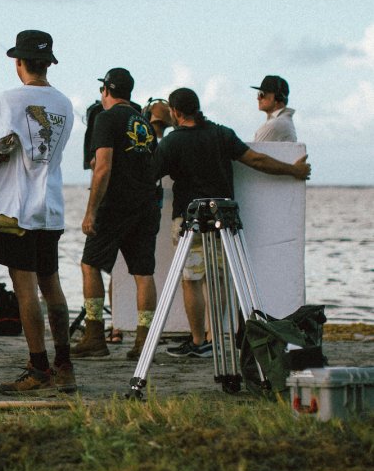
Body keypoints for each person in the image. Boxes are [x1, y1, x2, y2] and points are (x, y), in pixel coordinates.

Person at [155, 87, 311, 358]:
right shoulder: (221, 134)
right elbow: (257, 159)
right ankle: (215, 337)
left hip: (189, 218)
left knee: (192, 280)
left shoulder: (172, 142)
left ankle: (197, 341)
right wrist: (293, 170)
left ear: (176, 112)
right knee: (217, 279)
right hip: (222, 217)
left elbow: (150, 173)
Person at [0, 30, 75, 395]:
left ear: (19, 63)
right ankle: (65, 365)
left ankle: (38, 366)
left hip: (15, 209)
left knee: (25, 288)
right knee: (52, 284)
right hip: (50, 206)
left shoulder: (9, 100)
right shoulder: (64, 103)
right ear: (48, 63)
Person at [79, 68, 160, 362]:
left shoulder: (105, 118)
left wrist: (91, 211)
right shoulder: (145, 123)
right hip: (146, 205)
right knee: (143, 274)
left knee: (90, 265)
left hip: (115, 205)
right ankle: (143, 341)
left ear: (106, 90)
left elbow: (103, 168)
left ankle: (94, 336)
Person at [252, 75, 297, 142]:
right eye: (258, 94)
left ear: (277, 97)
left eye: (262, 94)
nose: (258, 98)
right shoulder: (284, 122)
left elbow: (254, 151)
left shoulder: (274, 125)